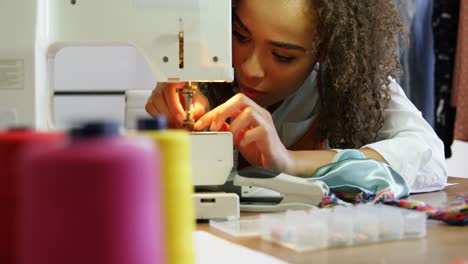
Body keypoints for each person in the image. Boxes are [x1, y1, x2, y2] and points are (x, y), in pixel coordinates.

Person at [145, 0, 447, 193]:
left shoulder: (352, 81)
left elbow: (428, 159)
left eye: (282, 55)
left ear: (326, 51)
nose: (250, 70)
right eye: (240, 36)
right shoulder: (200, 70)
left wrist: (291, 162)